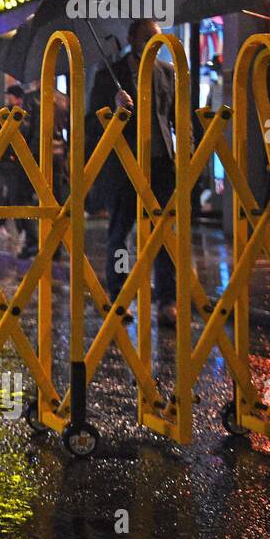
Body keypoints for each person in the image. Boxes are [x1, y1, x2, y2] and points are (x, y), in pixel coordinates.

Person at [89, 17, 178, 327]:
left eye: (158, 38)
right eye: (148, 37)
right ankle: (119, 297)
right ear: (132, 39)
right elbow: (91, 123)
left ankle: (168, 300)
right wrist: (114, 108)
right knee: (120, 234)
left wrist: (187, 157)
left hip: (160, 165)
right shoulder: (109, 76)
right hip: (124, 166)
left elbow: (180, 119)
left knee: (165, 235)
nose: (154, 43)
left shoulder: (167, 73)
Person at [0, 84, 40, 259]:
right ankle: (27, 238)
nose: (8, 99)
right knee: (15, 199)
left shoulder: (20, 114)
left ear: (16, 97)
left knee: (17, 199)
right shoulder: (18, 113)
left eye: (10, 96)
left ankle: (27, 238)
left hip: (17, 165)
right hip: (14, 165)